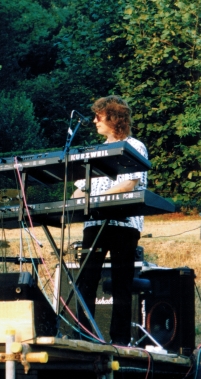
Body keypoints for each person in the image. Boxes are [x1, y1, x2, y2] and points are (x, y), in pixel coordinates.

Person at [71, 95, 147, 345]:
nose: (94, 121)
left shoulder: (134, 146)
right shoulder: (93, 151)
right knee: (86, 279)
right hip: (94, 223)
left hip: (124, 224)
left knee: (121, 282)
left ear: (114, 118)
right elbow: (79, 188)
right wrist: (75, 199)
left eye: (98, 116)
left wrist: (98, 199)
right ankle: (85, 336)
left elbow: (129, 183)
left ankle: (120, 341)